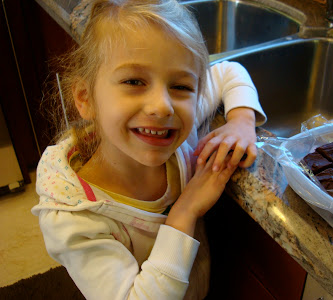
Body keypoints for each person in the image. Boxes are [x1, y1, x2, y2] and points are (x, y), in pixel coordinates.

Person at [32, 0, 266, 299]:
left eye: (181, 86)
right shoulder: (76, 218)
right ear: (85, 98)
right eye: (134, 81)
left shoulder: (180, 126)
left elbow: (229, 71)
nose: (162, 106)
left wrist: (241, 120)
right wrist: (184, 212)